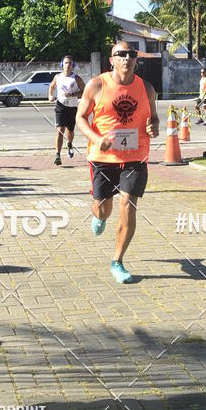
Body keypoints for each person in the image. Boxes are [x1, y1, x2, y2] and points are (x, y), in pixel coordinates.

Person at [76, 41, 159, 284]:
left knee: (128, 204)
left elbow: (154, 119)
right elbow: (81, 117)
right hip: (103, 158)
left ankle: (117, 261)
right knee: (104, 208)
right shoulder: (97, 84)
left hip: (135, 156)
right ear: (111, 60)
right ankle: (99, 216)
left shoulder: (147, 88)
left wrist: (154, 127)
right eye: (120, 54)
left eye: (131, 54)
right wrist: (96, 138)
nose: (126, 58)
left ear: (136, 59)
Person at [48, 56, 85, 165]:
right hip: (60, 106)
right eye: (66, 63)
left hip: (72, 108)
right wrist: (50, 96)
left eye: (70, 63)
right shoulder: (57, 77)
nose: (68, 65)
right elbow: (51, 87)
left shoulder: (76, 78)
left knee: (70, 131)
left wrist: (73, 94)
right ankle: (57, 155)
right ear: (62, 64)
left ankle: (69, 144)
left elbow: (84, 91)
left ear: (73, 65)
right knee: (60, 130)